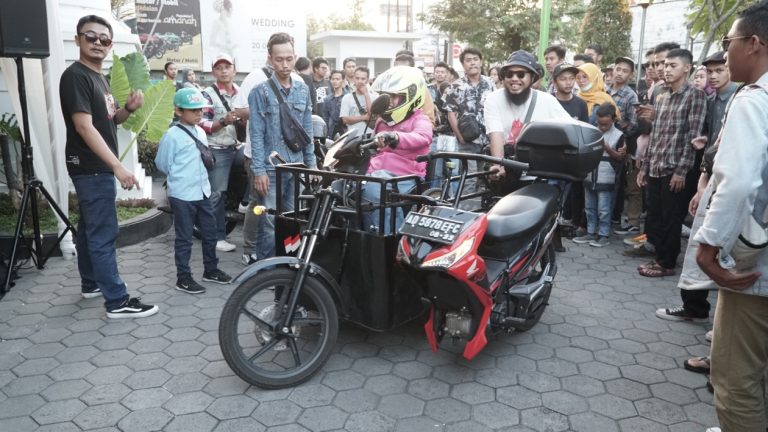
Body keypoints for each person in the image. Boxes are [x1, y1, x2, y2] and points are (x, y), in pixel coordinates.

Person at [693, 2, 768, 430]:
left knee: (736, 378)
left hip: (755, 270)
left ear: (754, 43)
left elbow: (737, 182)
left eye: (729, 42)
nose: (726, 52)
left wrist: (708, 247)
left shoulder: (754, 100)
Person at [60, 15, 158, 318]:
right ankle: (117, 301)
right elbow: (84, 127)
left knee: (90, 229)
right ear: (78, 39)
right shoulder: (75, 76)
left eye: (104, 39)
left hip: (94, 166)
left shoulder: (99, 78)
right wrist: (117, 166)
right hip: (91, 166)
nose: (98, 43)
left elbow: (109, 121)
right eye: (91, 36)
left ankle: (91, 283)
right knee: (103, 232)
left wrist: (128, 108)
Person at [656, 50, 740, 322]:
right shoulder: (710, 100)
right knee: (700, 243)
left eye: (720, 70)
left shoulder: (743, 99)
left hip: (733, 183)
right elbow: (705, 144)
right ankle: (695, 307)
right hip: (708, 177)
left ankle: (724, 321)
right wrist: (702, 180)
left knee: (729, 251)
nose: (713, 76)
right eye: (710, 71)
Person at [636, 48, 707, 278]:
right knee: (655, 215)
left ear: (687, 68)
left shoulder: (695, 95)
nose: (666, 69)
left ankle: (667, 263)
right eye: (665, 65)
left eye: (672, 65)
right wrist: (645, 166)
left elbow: (693, 137)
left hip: (675, 168)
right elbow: (655, 134)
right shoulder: (662, 95)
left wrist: (681, 171)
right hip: (656, 165)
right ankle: (659, 257)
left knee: (671, 218)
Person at [155, 88, 232, 293]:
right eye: (193, 110)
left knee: (210, 233)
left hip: (203, 191)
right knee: (184, 238)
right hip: (182, 194)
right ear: (178, 111)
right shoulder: (172, 136)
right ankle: (183, 278)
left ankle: (211, 270)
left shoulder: (200, 131)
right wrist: (179, 178)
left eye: (200, 110)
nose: (199, 114)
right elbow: (162, 163)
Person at [249, 32, 317, 260]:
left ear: (295, 56)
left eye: (289, 59)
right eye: (279, 59)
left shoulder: (303, 89)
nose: (285, 65)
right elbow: (256, 134)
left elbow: (307, 131)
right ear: (270, 58)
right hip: (271, 168)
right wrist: (259, 170)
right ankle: (266, 268)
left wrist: (312, 165)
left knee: (293, 220)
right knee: (269, 222)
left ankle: (288, 265)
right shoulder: (259, 91)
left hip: (297, 167)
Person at [361, 66, 432, 233]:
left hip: (405, 174)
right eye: (386, 96)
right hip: (376, 172)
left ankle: (392, 236)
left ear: (410, 96)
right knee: (343, 186)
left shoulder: (420, 119)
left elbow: (423, 137)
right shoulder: (382, 122)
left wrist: (396, 137)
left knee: (377, 188)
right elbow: (373, 143)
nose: (389, 101)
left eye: (394, 96)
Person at [485, 50, 572, 184]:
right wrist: (498, 165)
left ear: (532, 78)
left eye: (521, 74)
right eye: (509, 74)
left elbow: (570, 129)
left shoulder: (547, 101)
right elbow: (496, 133)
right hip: (506, 175)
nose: (514, 78)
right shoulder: (493, 99)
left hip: (538, 177)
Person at [200, 53, 243, 253]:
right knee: (216, 194)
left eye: (227, 67)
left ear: (234, 69)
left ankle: (244, 202)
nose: (224, 71)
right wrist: (224, 121)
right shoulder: (208, 95)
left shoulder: (241, 92)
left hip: (236, 146)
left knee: (258, 165)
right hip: (217, 148)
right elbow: (203, 124)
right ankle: (216, 238)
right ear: (213, 72)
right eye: (219, 68)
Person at [572, 103, 626, 247]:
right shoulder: (592, 131)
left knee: (604, 209)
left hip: (606, 178)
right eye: (599, 123)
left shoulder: (619, 135)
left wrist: (608, 149)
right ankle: (590, 232)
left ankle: (603, 234)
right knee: (589, 207)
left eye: (605, 124)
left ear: (613, 119)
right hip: (589, 176)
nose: (602, 127)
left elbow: (620, 158)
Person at [443, 48, 495, 192]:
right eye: (468, 60)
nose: (472, 63)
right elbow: (451, 113)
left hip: (487, 141)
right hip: (467, 140)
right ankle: (466, 205)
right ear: (463, 64)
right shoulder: (455, 86)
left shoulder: (490, 83)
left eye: (475, 59)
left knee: (484, 179)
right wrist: (460, 137)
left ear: (481, 62)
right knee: (470, 178)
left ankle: (480, 205)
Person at [340, 66, 378, 135]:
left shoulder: (375, 96)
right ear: (354, 79)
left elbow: (372, 115)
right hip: (354, 137)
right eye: (357, 78)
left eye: (363, 79)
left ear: (367, 80)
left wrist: (366, 94)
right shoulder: (347, 98)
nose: (360, 81)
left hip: (371, 135)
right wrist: (364, 117)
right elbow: (345, 120)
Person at [323, 69, 346, 140]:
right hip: (331, 131)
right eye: (333, 79)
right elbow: (326, 118)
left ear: (342, 80)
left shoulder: (348, 96)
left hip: (345, 129)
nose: (335, 81)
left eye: (337, 79)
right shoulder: (327, 99)